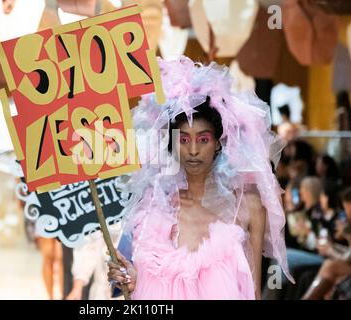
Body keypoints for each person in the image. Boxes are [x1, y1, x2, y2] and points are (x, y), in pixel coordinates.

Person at [107, 57, 292, 300]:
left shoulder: (248, 206)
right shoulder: (154, 205)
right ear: (173, 143)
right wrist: (130, 278)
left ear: (217, 143)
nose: (193, 150)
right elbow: (139, 281)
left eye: (203, 139)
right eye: (184, 139)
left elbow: (254, 290)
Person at [302, 187, 351, 299]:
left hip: (320, 256)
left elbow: (348, 257)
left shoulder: (335, 218)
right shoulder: (316, 214)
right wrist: (331, 246)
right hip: (320, 254)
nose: (346, 212)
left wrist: (331, 248)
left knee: (330, 266)